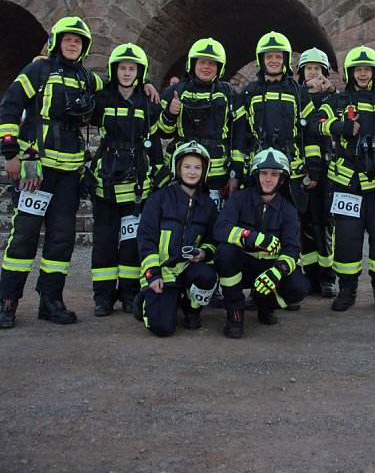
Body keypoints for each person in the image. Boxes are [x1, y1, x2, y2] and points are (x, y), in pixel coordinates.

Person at [0, 17, 103, 328]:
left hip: (69, 171)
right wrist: (10, 153)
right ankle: (7, 302)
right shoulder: (38, 70)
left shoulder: (87, 77)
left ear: (84, 47)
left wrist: (148, 85)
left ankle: (51, 300)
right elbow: (9, 106)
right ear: (57, 42)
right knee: (24, 238)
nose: (73, 44)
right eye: (68, 39)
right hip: (35, 167)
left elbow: (117, 87)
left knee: (61, 239)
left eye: (78, 41)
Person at [317, 46, 375, 311]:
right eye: (358, 70)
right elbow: (314, 121)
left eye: (367, 70)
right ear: (350, 73)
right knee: (347, 238)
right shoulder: (337, 101)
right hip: (347, 181)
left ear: (374, 73)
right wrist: (338, 126)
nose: (362, 74)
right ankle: (347, 289)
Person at [87, 44, 163, 316]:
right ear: (114, 70)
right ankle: (103, 297)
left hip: (136, 183)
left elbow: (154, 141)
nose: (127, 73)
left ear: (139, 72)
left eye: (132, 69)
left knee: (131, 243)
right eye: (123, 68)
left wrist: (159, 170)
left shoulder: (147, 101)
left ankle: (130, 293)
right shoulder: (102, 98)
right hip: (105, 181)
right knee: (105, 240)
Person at [214, 148, 308, 337]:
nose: (268, 179)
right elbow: (220, 228)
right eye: (264, 173)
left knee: (300, 287)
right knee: (224, 252)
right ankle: (235, 313)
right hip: (244, 265)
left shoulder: (288, 209)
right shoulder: (239, 199)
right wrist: (252, 237)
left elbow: (292, 249)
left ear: (282, 179)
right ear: (255, 175)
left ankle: (264, 304)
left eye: (274, 174)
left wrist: (278, 271)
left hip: (270, 268)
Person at [136, 141, 218, 336]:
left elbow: (213, 240)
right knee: (162, 329)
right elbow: (146, 239)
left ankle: (191, 309)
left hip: (188, 268)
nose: (192, 172)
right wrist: (153, 274)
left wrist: (203, 252)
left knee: (207, 276)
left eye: (197, 167)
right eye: (187, 166)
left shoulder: (208, 205)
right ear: (177, 169)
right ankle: (144, 299)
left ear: (204, 171)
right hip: (162, 271)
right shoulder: (159, 199)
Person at [235, 31, 321, 215]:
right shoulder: (250, 92)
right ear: (261, 60)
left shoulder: (298, 92)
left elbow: (310, 132)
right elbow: (241, 134)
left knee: (292, 220)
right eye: (269, 56)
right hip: (259, 169)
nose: (274, 60)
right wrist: (237, 168)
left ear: (285, 60)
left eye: (278, 56)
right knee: (257, 218)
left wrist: (313, 167)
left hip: (293, 171)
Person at [158, 38, 241, 208]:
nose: (206, 67)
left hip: (217, 174)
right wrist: (170, 113)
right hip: (182, 170)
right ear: (192, 64)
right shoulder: (175, 91)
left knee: (213, 222)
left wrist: (236, 173)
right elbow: (163, 131)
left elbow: (238, 134)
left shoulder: (229, 93)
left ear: (219, 67)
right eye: (202, 62)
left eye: (212, 63)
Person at [297, 48, 337, 298]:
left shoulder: (332, 98)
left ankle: (327, 277)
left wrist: (331, 92)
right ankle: (310, 275)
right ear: (302, 73)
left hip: (327, 167)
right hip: (302, 167)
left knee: (324, 223)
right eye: (309, 68)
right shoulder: (297, 96)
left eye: (317, 68)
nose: (313, 72)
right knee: (304, 222)